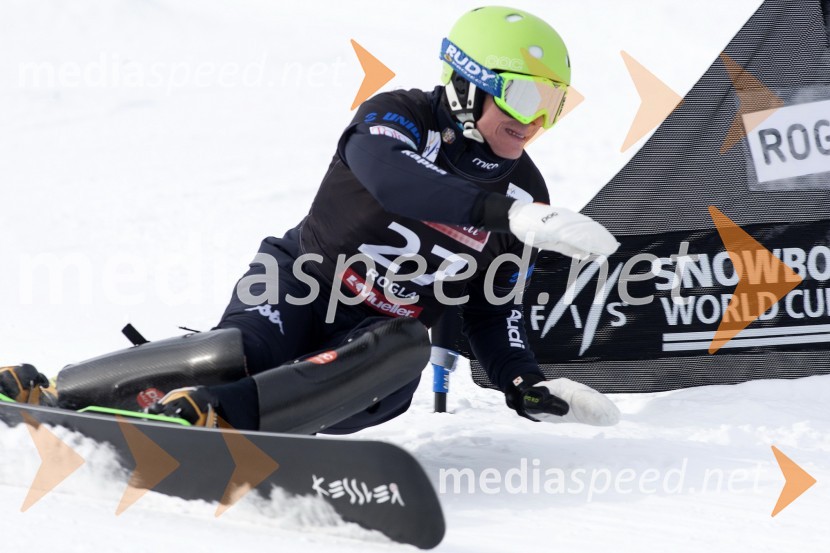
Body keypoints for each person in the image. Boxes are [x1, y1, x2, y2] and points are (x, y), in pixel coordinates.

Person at [1, 6, 621, 432]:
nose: (537, 120)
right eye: (525, 97)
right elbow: (391, 179)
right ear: (468, 83)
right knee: (234, 353)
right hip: (299, 282)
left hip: (375, 340)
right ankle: (52, 391)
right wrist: (501, 212)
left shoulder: (525, 190)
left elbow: (491, 307)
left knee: (404, 350)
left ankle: (218, 416)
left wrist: (524, 383)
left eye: (555, 105)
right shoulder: (400, 116)